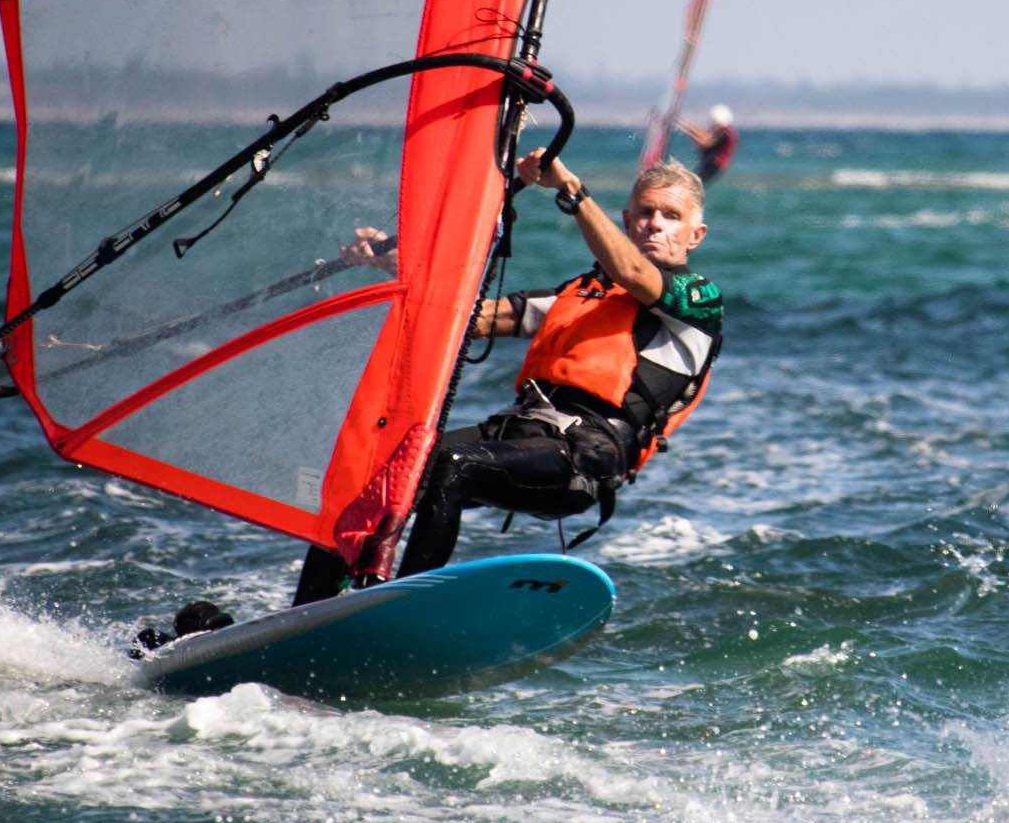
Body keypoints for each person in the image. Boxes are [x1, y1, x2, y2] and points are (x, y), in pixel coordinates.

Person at [291, 152, 723, 604]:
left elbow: (632, 272)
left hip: (585, 458)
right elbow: (468, 317)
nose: (655, 225)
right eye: (646, 213)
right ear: (628, 221)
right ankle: (309, 612)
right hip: (520, 432)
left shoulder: (699, 302)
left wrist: (571, 190)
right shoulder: (579, 295)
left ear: (696, 235)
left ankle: (403, 603)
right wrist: (394, 264)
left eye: (671, 216)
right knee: (376, 474)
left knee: (454, 464)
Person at [673, 103, 739, 183]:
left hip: (713, 165)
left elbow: (706, 142)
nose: (712, 124)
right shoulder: (721, 130)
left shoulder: (725, 133)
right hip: (710, 163)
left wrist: (686, 129)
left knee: (691, 182)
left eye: (713, 122)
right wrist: (684, 123)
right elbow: (703, 134)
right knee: (690, 180)